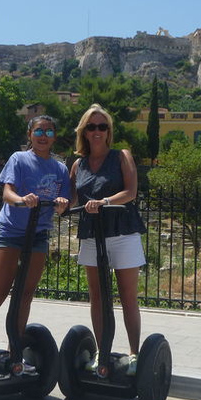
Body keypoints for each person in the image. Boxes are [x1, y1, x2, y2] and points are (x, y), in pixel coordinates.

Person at [0, 115, 70, 372]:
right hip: (11, 231)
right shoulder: (19, 158)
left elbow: (65, 202)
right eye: (39, 131)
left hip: (37, 235)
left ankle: (14, 354)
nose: (43, 136)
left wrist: (61, 204)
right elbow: (7, 192)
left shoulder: (60, 168)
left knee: (25, 295)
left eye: (49, 132)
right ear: (30, 134)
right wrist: (21, 200)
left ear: (54, 137)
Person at [70, 104, 147, 376]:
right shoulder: (78, 165)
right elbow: (70, 199)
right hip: (92, 234)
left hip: (122, 231)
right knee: (98, 298)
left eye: (102, 126)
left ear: (109, 131)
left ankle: (135, 353)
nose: (97, 131)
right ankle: (102, 352)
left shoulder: (121, 156)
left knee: (127, 297)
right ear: (84, 131)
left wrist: (104, 201)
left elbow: (131, 191)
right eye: (92, 126)